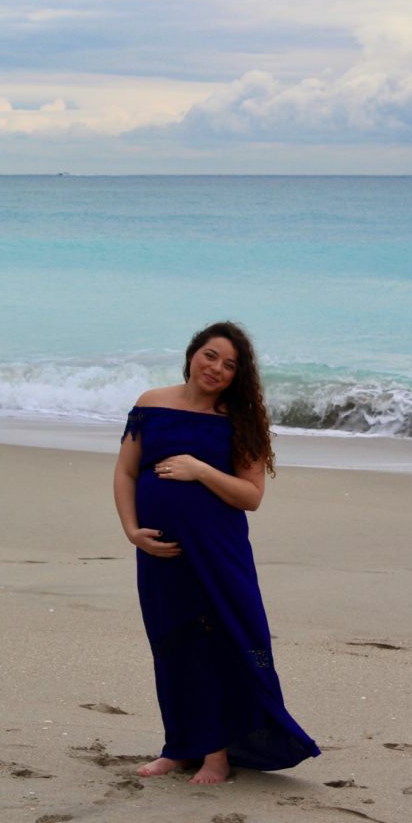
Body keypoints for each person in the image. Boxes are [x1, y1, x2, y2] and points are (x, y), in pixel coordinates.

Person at [113, 321, 320, 785]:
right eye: (210, 355)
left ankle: (216, 755)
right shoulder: (150, 404)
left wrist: (200, 470)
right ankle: (179, 746)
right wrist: (131, 531)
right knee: (170, 642)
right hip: (159, 551)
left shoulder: (241, 420)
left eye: (230, 365)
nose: (217, 368)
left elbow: (251, 495)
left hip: (217, 552)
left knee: (216, 645)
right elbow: (126, 473)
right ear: (192, 354)